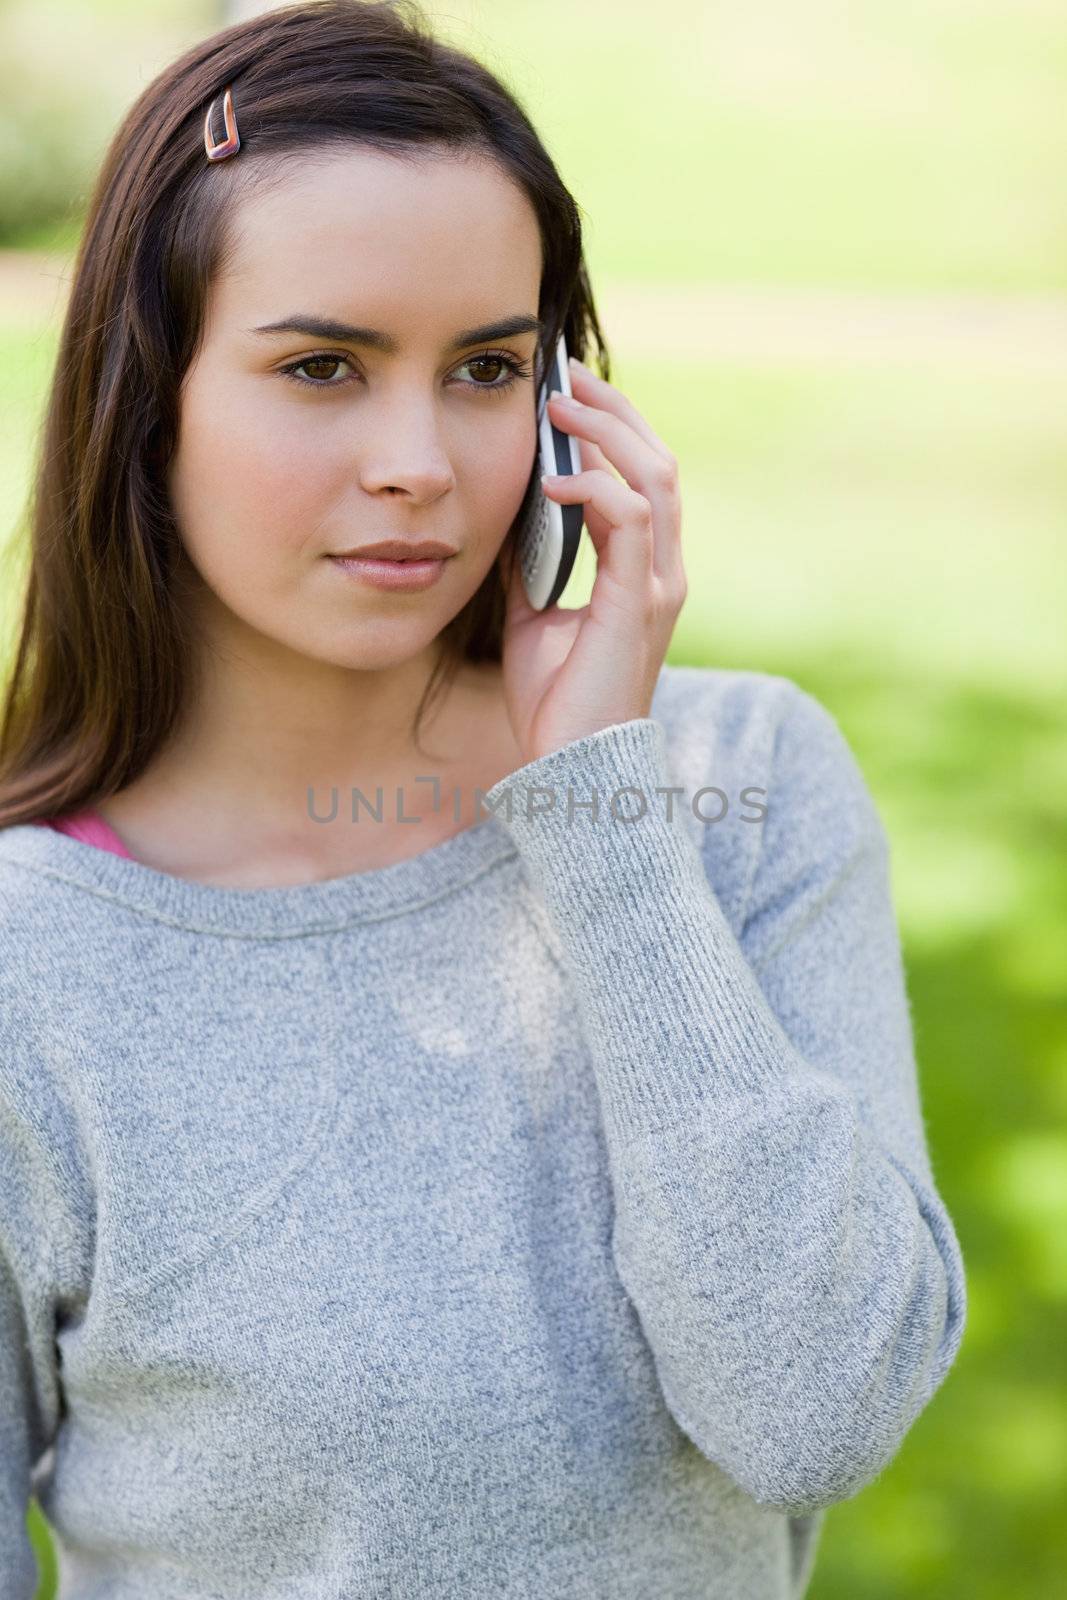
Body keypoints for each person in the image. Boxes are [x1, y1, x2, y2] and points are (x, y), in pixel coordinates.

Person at [0, 2, 967, 1596]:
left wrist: (599, 806)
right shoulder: (35, 959)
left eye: (488, 369)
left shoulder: (744, 788)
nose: (421, 461)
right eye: (322, 366)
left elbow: (818, 1416)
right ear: (145, 395)